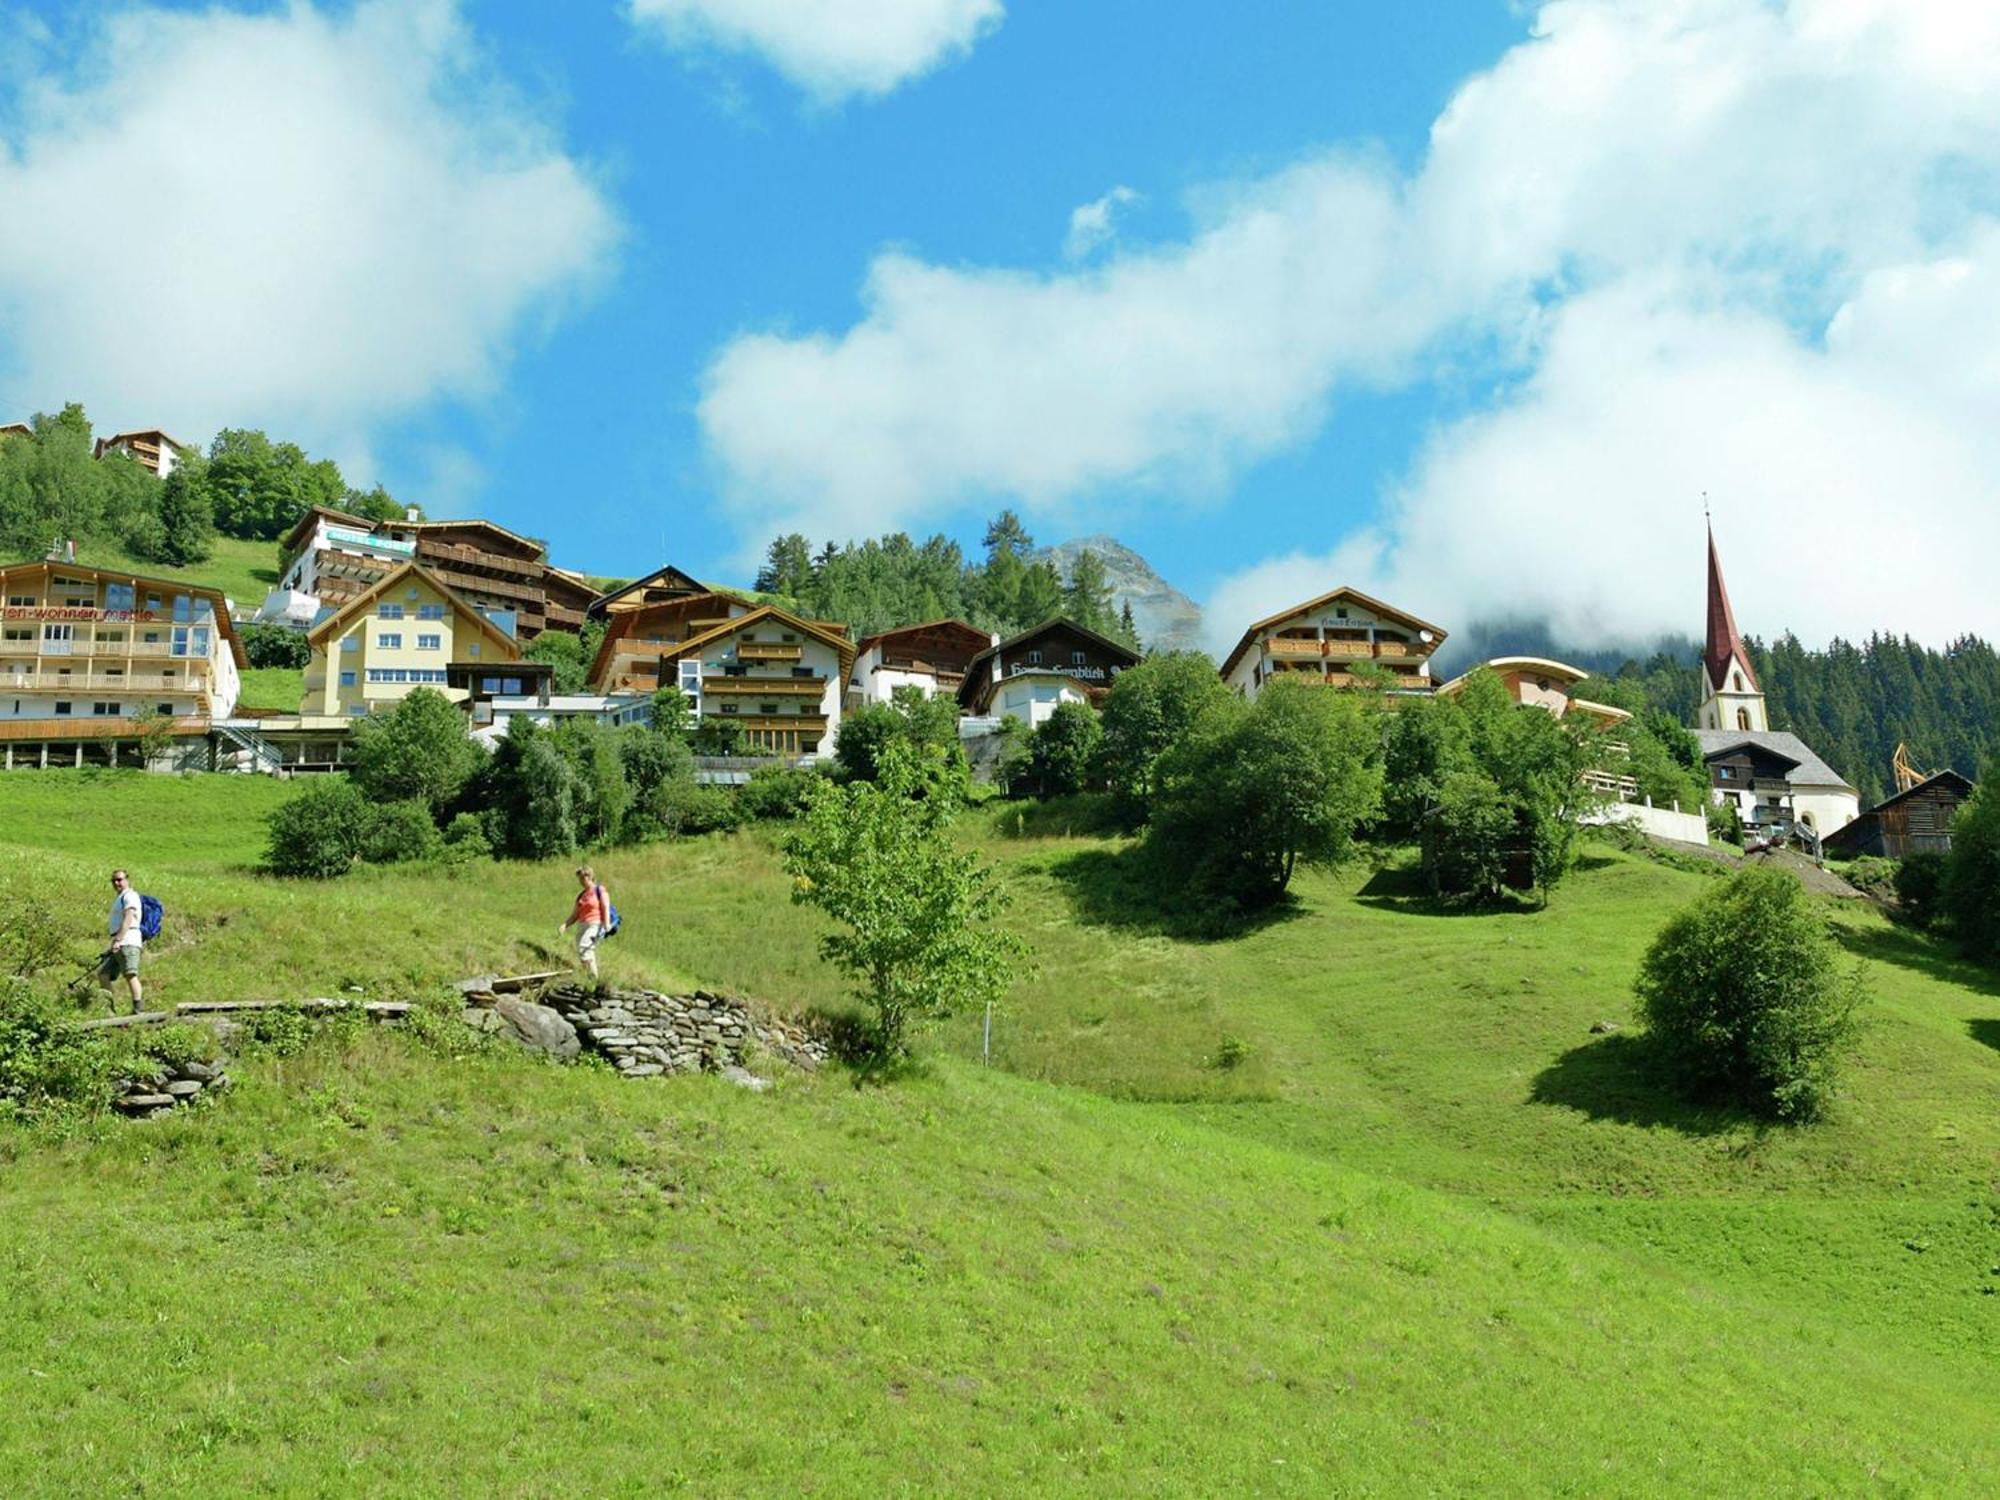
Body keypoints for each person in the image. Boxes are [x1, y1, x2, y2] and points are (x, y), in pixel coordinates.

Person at [100, 868, 145, 1013]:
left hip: (128, 940)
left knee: (130, 973)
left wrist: (118, 939)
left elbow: (128, 918)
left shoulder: (130, 896)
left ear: (127, 879)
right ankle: (109, 1010)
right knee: (103, 974)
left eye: (119, 879)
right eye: (114, 880)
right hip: (119, 942)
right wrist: (115, 942)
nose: (116, 883)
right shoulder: (121, 898)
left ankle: (138, 1009)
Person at [559, 865, 608, 981]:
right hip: (582, 925)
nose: (580, 881)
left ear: (589, 876)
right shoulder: (581, 895)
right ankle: (590, 979)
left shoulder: (599, 890)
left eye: (582, 878)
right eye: (579, 878)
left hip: (594, 924)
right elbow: (575, 915)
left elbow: (605, 906)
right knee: (585, 952)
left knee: (584, 948)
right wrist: (565, 925)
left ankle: (593, 978)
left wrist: (607, 924)